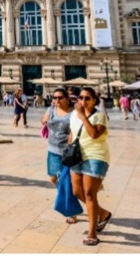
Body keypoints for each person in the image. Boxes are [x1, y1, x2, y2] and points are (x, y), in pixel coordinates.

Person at [68, 87, 112, 246]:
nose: (83, 101)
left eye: (87, 98)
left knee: (89, 194)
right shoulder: (73, 114)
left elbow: (94, 134)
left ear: (94, 100)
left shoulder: (100, 116)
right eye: (81, 97)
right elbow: (72, 133)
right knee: (77, 191)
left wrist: (82, 115)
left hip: (95, 157)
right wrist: (69, 146)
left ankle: (92, 233)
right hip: (77, 157)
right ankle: (103, 213)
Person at [43, 87, 74, 221]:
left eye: (60, 98)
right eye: (54, 98)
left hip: (67, 151)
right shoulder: (51, 110)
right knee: (53, 178)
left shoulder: (73, 113)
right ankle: (65, 195)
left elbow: (76, 128)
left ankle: (71, 211)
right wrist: (48, 113)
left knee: (66, 181)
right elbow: (43, 121)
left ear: (67, 99)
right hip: (52, 150)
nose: (57, 100)